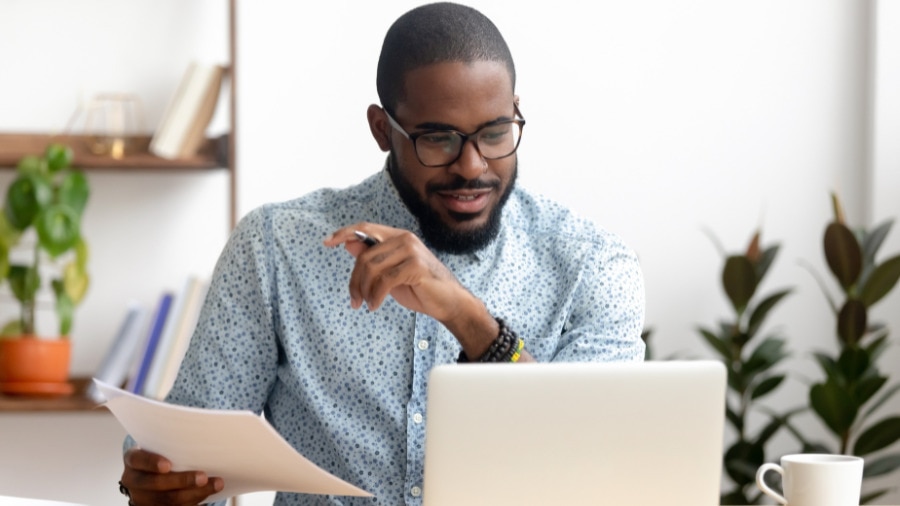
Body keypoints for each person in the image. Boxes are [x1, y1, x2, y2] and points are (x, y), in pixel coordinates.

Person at [118, 2, 645, 505]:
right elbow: (187, 451)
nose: (471, 165)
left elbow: (591, 473)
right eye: (438, 139)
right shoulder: (276, 248)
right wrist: (161, 483)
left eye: (494, 132)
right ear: (381, 130)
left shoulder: (593, 267)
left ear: (515, 114)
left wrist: (466, 316)